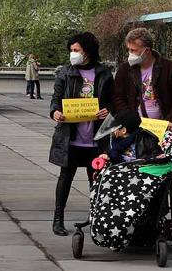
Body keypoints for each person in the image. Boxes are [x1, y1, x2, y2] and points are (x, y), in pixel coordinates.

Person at [49, 32, 113, 236]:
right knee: (65, 177)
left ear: (88, 51)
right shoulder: (65, 73)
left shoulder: (104, 74)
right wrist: (55, 112)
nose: (73, 54)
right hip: (71, 137)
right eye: (71, 50)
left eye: (76, 50)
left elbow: (113, 101)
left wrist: (109, 110)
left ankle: (96, 219)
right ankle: (58, 219)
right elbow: (56, 99)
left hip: (96, 139)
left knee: (96, 181)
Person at [114, 27, 172, 131]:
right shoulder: (124, 69)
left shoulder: (171, 69)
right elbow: (118, 97)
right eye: (129, 49)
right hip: (135, 129)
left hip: (164, 129)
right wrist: (128, 120)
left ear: (147, 50)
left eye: (133, 50)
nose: (130, 53)